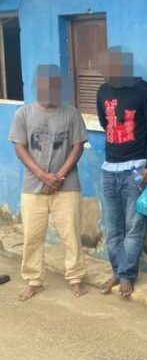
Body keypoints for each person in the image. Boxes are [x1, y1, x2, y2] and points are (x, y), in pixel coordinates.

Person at [8, 64, 88, 301]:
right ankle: (34, 280)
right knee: (32, 236)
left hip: (67, 186)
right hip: (33, 188)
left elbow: (78, 147)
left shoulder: (71, 113)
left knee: (71, 235)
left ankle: (75, 277)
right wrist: (43, 176)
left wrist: (59, 177)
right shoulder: (23, 114)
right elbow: (20, 148)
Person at [97, 47, 147, 298]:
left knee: (134, 226)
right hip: (109, 167)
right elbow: (105, 123)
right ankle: (117, 271)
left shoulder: (144, 90)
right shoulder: (103, 91)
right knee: (113, 227)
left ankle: (126, 275)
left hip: (136, 168)